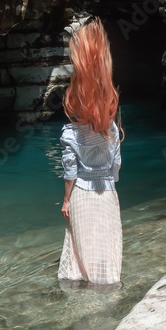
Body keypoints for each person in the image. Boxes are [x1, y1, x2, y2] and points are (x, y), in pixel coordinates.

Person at [57, 17, 123, 286]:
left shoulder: (71, 133)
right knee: (107, 247)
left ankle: (79, 301)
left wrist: (65, 200)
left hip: (82, 195)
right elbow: (116, 166)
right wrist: (109, 183)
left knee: (79, 255)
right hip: (107, 193)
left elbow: (70, 170)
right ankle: (109, 289)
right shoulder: (112, 130)